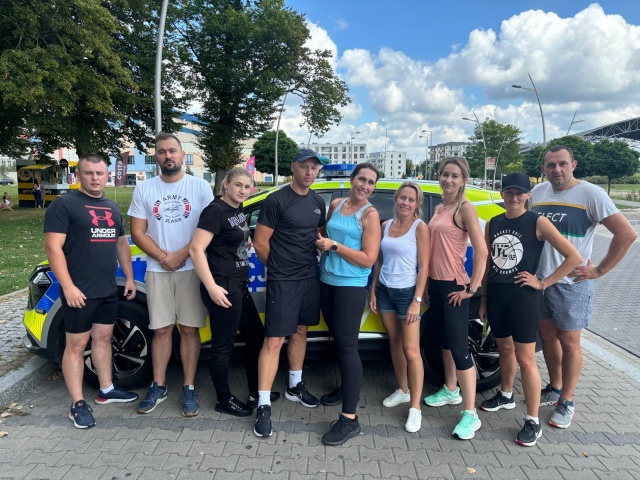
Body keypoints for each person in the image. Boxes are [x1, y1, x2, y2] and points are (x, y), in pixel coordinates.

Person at [532, 145, 637, 429]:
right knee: (547, 336)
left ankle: (567, 400)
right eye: (551, 165)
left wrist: (599, 270)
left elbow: (626, 234)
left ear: (574, 164)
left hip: (571, 283)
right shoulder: (538, 193)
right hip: (540, 281)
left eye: (562, 164)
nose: (557, 170)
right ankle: (555, 388)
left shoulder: (591, 194)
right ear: (543, 169)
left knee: (569, 341)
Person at [477, 172, 583, 447]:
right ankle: (506, 394)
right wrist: (484, 299)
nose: (513, 197)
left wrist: (543, 282)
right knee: (504, 350)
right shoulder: (493, 223)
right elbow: (488, 264)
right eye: (509, 192)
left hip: (523, 299)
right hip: (497, 296)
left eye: (519, 193)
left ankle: (533, 420)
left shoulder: (537, 222)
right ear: (502, 194)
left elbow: (574, 257)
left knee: (525, 360)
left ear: (528, 195)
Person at [43, 154, 138, 429]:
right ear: (79, 175)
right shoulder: (64, 205)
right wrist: (68, 286)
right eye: (88, 173)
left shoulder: (112, 207)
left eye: (99, 173)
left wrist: (129, 278)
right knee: (76, 345)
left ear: (107, 175)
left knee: (104, 338)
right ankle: (77, 404)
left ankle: (106, 389)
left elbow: (121, 243)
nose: (95, 178)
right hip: (79, 291)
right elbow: (53, 247)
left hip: (107, 289)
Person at [129, 133, 214, 417]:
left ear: (182, 154)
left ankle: (189, 386)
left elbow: (209, 228)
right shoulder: (144, 189)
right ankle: (159, 385)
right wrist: (164, 257)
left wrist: (180, 255)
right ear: (156, 156)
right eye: (162, 151)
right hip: (158, 269)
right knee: (161, 330)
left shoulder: (200, 187)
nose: (168, 156)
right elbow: (137, 232)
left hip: (192, 268)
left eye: (173, 151)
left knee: (189, 330)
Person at [190, 168, 279, 417]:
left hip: (238, 285)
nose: (242, 190)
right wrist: (211, 287)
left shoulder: (237, 208)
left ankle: (255, 392)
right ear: (226, 184)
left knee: (255, 336)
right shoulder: (215, 211)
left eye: (247, 187)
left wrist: (245, 240)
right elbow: (196, 249)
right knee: (223, 345)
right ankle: (223, 399)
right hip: (222, 286)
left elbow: (232, 234)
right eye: (238, 185)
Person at [252, 148, 328, 438]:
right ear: (293, 167)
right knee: (274, 340)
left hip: (309, 278)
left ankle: (295, 386)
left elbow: (318, 235)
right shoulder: (276, 200)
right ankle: (263, 404)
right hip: (283, 281)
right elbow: (260, 243)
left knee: (300, 331)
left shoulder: (318, 202)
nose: (310, 172)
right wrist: (280, 268)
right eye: (305, 166)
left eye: (314, 168)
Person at [315, 163, 381, 445]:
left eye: (370, 182)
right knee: (337, 340)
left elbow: (368, 259)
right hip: (326, 281)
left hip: (350, 287)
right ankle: (347, 389)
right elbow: (321, 233)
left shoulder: (370, 215)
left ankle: (350, 419)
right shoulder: (337, 204)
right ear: (352, 179)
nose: (365, 185)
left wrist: (334, 246)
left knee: (347, 346)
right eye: (361, 179)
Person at [422, 156, 488, 440]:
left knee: (460, 350)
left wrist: (471, 289)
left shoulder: (465, 208)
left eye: (455, 176)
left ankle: (471, 414)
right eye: (445, 174)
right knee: (445, 342)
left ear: (464, 180)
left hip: (454, 286)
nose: (448, 180)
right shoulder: (440, 208)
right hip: (436, 285)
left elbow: (482, 251)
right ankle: (451, 390)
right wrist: (427, 284)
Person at [369, 182, 430, 433]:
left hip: (407, 294)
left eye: (411, 200)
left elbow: (424, 267)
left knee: (411, 351)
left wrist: (417, 300)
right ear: (396, 199)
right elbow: (379, 261)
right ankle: (403, 390)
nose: (406, 202)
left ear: (417, 204)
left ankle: (415, 407)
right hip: (385, 291)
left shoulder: (420, 227)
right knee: (394, 341)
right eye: (402, 198)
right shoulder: (386, 225)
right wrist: (374, 290)